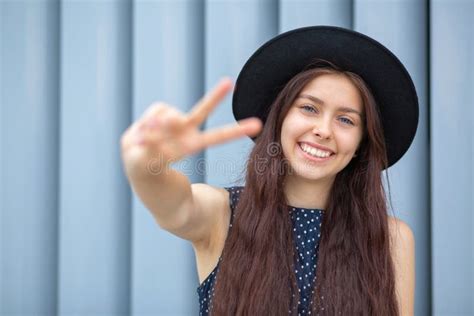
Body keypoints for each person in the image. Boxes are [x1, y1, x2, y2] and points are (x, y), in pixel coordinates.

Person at [120, 26, 417, 316]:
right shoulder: (222, 214)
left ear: (361, 143)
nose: (324, 130)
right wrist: (145, 163)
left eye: (346, 120)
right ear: (280, 118)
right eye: (309, 108)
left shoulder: (392, 239)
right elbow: (175, 208)